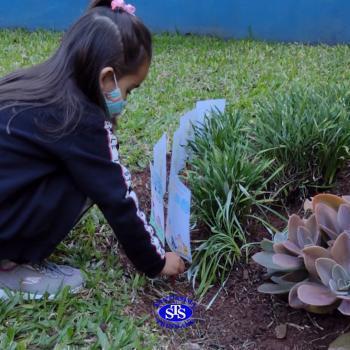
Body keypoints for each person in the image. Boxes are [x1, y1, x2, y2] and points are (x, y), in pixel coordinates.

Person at [0, 0, 185, 300]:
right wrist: (158, 261)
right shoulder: (79, 118)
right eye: (129, 89)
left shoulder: (35, 83)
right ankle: (8, 270)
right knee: (88, 179)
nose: (126, 98)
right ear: (107, 78)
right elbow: (117, 196)